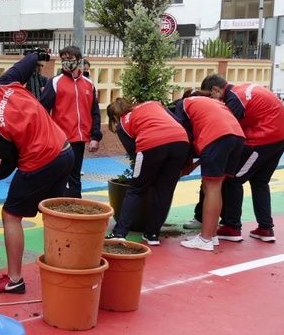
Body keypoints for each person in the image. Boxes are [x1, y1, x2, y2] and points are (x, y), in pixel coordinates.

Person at [0, 61, 73, 294]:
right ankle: (64, 270)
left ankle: (15, 279)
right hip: (64, 151)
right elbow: (27, 63)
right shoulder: (4, 84)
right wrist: (38, 55)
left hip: (40, 160)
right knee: (53, 214)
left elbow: (10, 162)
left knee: (10, 215)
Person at [202, 75, 284, 243]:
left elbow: (226, 129)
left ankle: (232, 227)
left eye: (210, 96)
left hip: (265, 138)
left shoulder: (234, 100)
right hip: (282, 135)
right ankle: (265, 228)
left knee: (232, 179)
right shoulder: (242, 89)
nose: (211, 102)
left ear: (216, 90)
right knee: (260, 181)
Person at [104, 99, 190, 246]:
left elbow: (134, 153)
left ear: (115, 116)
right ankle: (153, 234)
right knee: (165, 191)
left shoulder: (123, 123)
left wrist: (149, 172)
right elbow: (177, 121)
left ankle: (119, 233)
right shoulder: (153, 104)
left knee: (136, 189)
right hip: (181, 141)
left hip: (151, 144)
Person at [174, 94, 245, 251]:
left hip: (217, 136)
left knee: (211, 188)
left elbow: (185, 136)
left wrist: (186, 165)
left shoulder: (182, 105)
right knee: (215, 187)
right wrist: (195, 164)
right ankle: (211, 235)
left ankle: (205, 239)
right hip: (238, 137)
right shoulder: (209, 102)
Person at [39, 46, 101, 198]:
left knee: (75, 176)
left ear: (79, 60)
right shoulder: (54, 82)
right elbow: (42, 111)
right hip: (61, 140)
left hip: (79, 140)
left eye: (70, 59)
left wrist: (95, 137)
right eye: (63, 59)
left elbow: (95, 112)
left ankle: (74, 204)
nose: (66, 62)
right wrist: (47, 136)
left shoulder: (89, 84)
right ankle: (58, 204)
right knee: (61, 175)